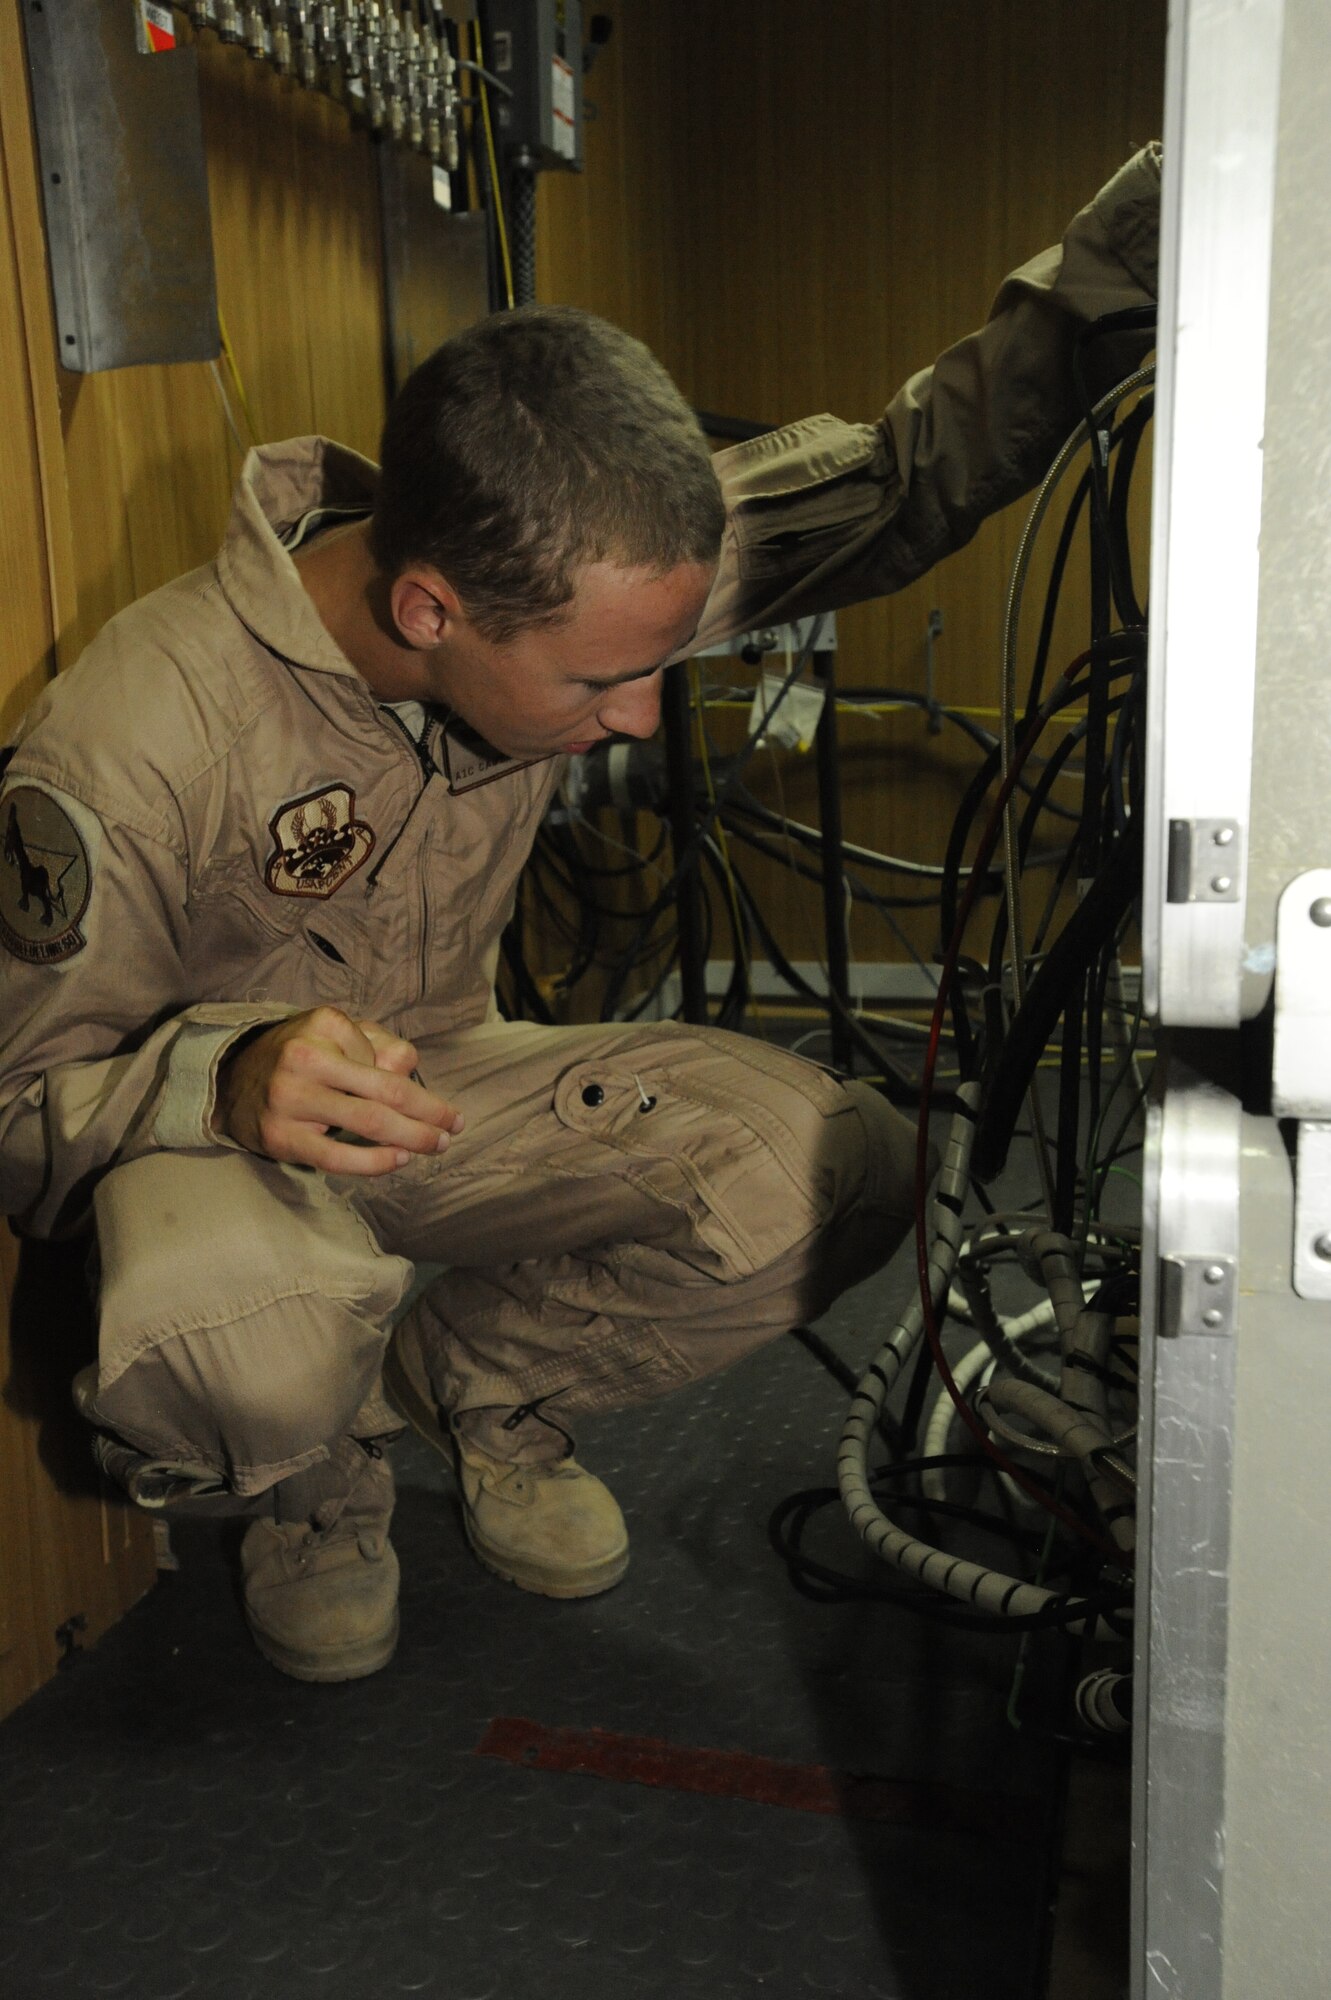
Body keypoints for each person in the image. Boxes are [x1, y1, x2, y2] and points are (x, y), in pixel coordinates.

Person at [0, 146, 1160, 1683]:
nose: (637, 719)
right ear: (431, 611)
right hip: (219, 1165)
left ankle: (474, 1390)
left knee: (837, 1164)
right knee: (250, 1346)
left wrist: (1132, 249)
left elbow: (899, 481)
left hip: (443, 1094)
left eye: (654, 667)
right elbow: (18, 1109)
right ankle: (316, 1485)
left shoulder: (576, 558)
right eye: (598, 682)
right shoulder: (136, 739)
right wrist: (220, 1074)